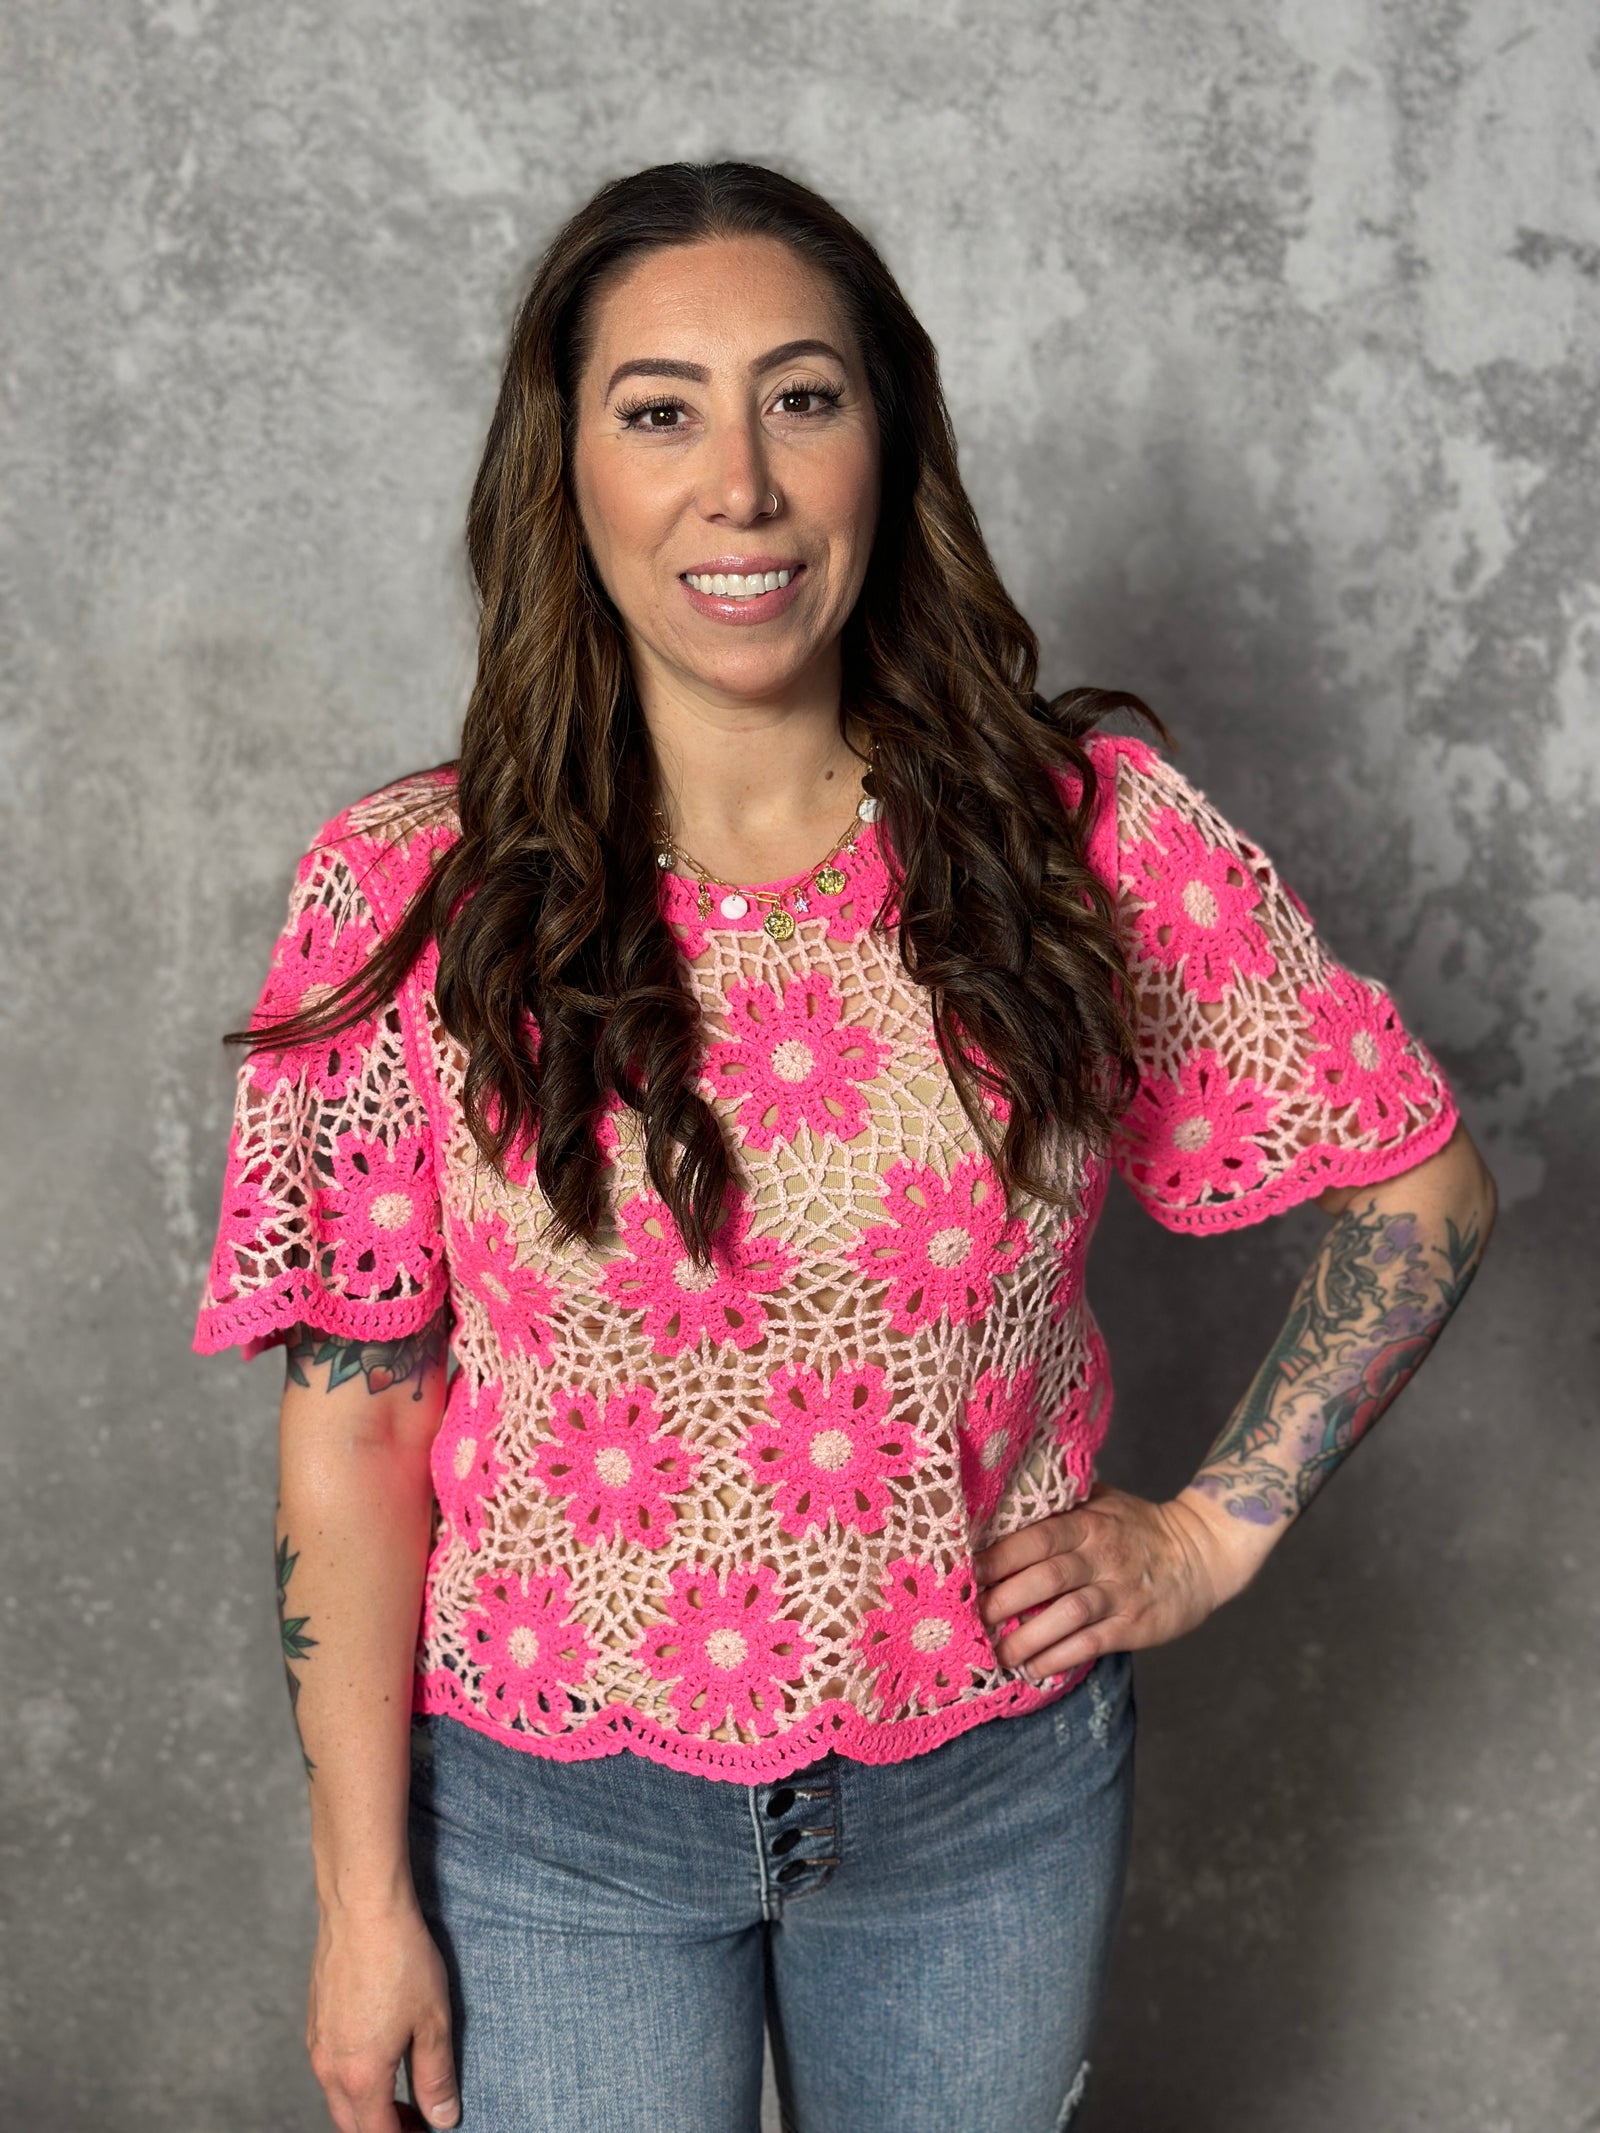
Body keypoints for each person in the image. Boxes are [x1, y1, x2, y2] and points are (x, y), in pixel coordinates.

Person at [195, 160, 1496, 2133]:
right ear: (566, 472)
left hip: (987, 1801)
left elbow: (1423, 1185)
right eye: (660, 411)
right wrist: (361, 1901)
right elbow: (358, 1433)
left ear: (885, 443)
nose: (741, 484)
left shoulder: (1078, 842)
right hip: (548, 1820)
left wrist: (1206, 1529)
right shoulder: (413, 894)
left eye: (800, 398)